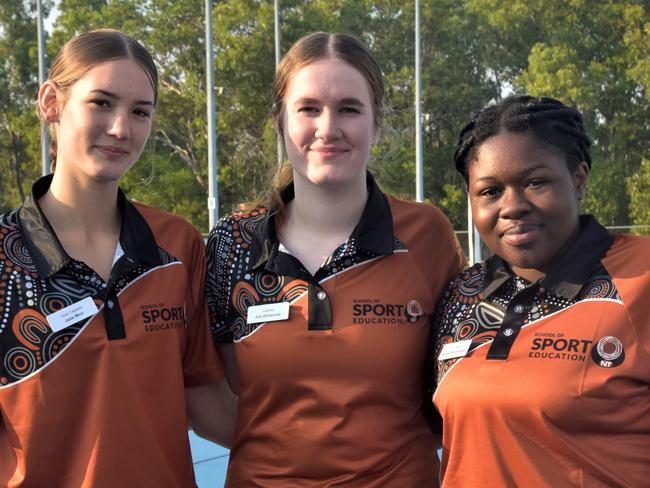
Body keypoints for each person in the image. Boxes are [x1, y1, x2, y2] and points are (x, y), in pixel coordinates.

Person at [206, 31, 465, 486]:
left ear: (377, 123)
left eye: (349, 108)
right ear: (279, 121)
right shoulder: (233, 242)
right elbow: (214, 394)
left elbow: (453, 389)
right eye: (308, 108)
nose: (328, 128)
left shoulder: (428, 236)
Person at [0, 29, 235, 487]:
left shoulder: (177, 246)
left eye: (140, 112)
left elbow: (207, 404)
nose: (121, 128)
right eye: (101, 103)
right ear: (51, 102)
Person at [432, 95, 650, 487]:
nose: (512, 206)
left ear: (578, 179)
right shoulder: (459, 294)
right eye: (490, 192)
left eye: (535, 182)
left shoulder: (641, 278)